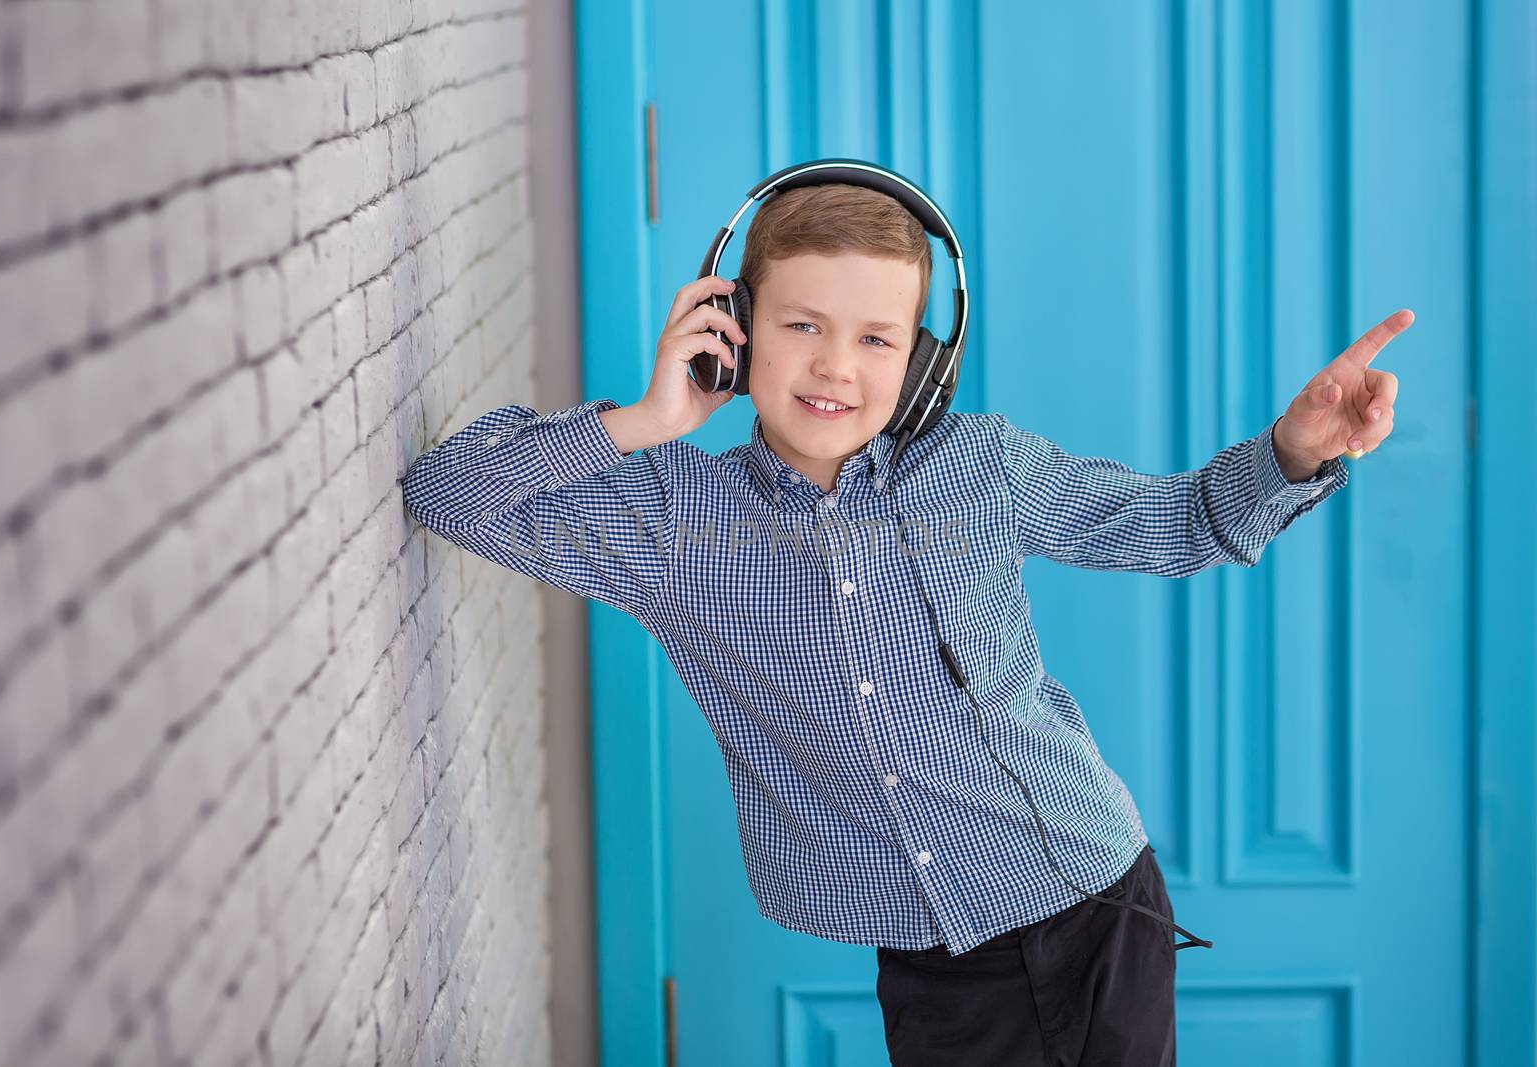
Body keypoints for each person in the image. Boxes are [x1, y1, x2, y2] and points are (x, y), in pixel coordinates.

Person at [400, 180, 1407, 1065]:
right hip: (937, 963)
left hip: (1097, 898)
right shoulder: (673, 519)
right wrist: (649, 418)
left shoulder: (981, 467)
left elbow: (1180, 523)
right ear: (733, 327)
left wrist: (1292, 447)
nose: (836, 365)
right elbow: (448, 490)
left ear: (925, 362)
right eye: (801, 325)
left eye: (876, 338)